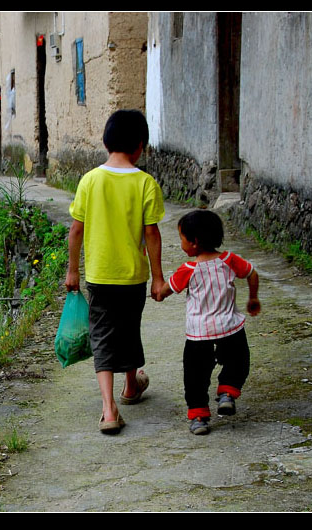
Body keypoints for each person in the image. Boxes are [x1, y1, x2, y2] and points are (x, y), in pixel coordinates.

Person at [65, 109, 166, 435]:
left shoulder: (89, 181)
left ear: (107, 142)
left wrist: (73, 272)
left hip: (99, 275)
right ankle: (130, 386)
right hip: (133, 276)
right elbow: (151, 233)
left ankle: (109, 410)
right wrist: (159, 276)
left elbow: (76, 231)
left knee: (103, 336)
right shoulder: (145, 183)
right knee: (129, 328)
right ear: (139, 146)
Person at [157, 209, 261, 435]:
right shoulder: (230, 260)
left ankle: (199, 417)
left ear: (194, 242)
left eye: (181, 238)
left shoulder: (188, 270)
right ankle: (227, 393)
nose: (181, 243)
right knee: (238, 363)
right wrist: (253, 298)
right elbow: (252, 273)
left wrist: (158, 293)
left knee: (195, 377)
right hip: (230, 328)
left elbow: (166, 290)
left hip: (198, 336)